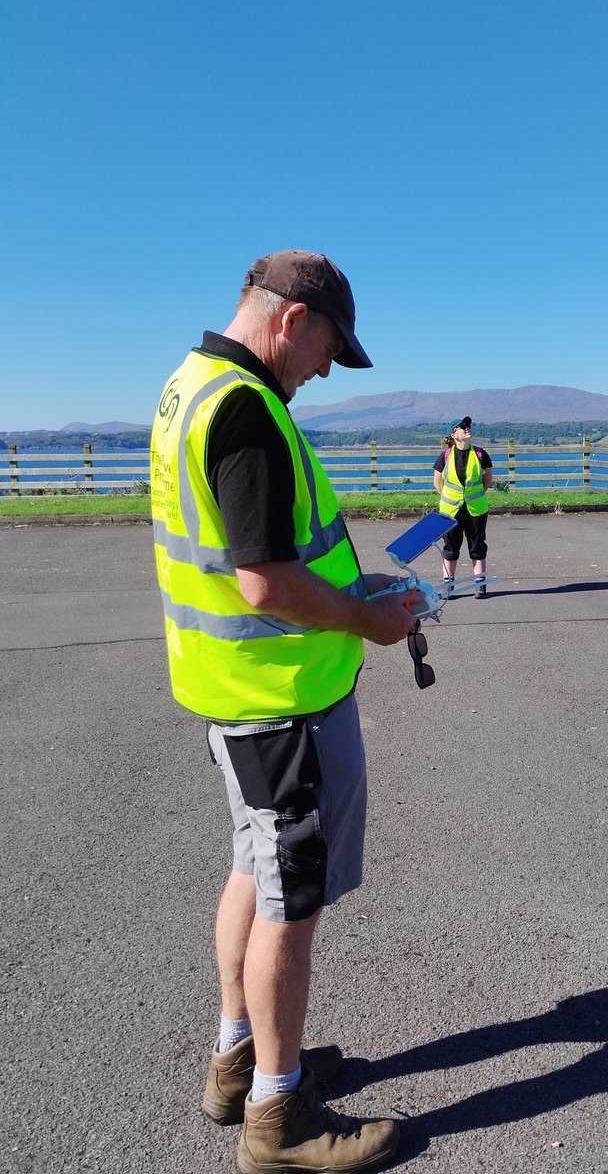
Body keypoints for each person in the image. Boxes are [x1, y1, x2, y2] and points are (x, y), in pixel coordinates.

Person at [150, 250, 420, 1174]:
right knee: (289, 904)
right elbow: (265, 579)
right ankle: (280, 1115)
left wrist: (355, 585)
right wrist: (364, 618)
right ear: (291, 319)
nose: (320, 373)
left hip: (237, 699)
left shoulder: (188, 386)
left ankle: (238, 1056)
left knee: (252, 872)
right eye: (327, 352)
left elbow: (252, 556)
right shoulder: (247, 412)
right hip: (282, 707)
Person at [433, 416, 493, 598]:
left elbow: (487, 480)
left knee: (477, 546)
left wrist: (473, 496)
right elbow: (438, 483)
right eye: (462, 427)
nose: (467, 428)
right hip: (451, 510)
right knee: (450, 547)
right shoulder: (445, 456)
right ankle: (448, 585)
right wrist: (452, 498)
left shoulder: (481, 454)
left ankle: (480, 585)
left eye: (468, 426)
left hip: (476, 509)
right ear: (453, 434)